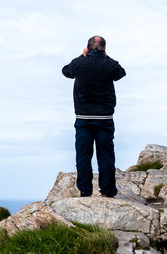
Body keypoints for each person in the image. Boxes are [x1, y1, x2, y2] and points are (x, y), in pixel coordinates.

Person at [62, 35, 126, 198]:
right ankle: (108, 191)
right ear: (104, 49)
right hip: (105, 119)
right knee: (106, 156)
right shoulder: (109, 64)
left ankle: (85, 190)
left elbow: (66, 71)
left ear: (87, 48)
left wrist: (82, 56)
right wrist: (105, 56)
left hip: (83, 119)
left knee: (83, 155)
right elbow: (121, 73)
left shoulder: (80, 63)